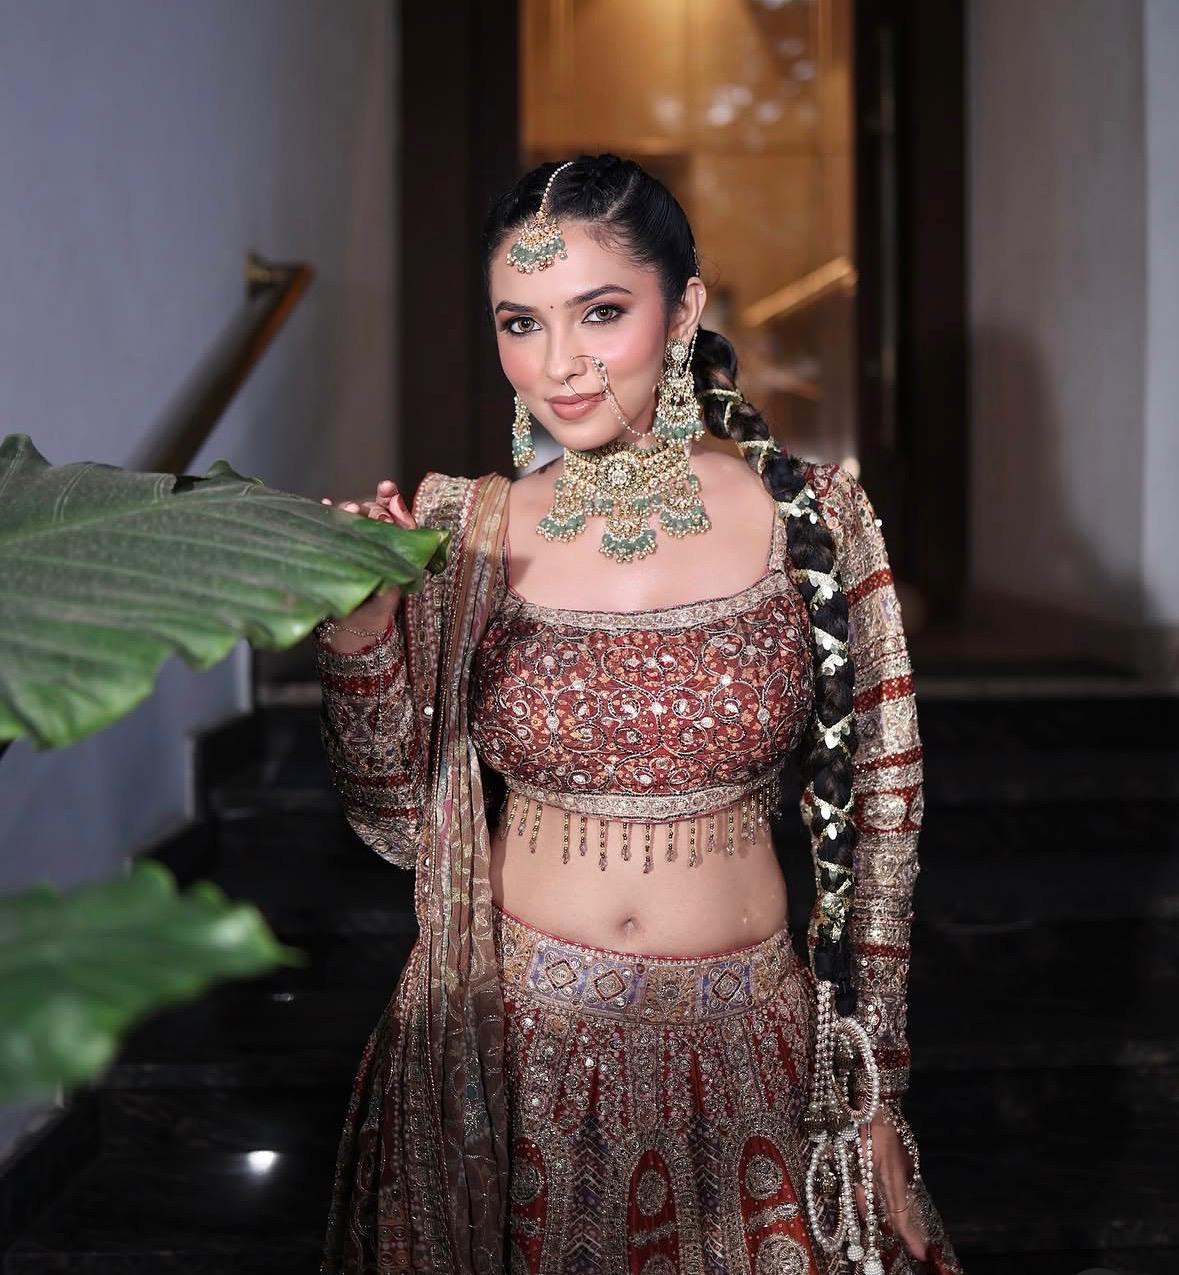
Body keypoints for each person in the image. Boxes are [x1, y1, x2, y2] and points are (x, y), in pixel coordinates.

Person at [313, 154, 964, 1275]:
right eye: (521, 323)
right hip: (507, 1059)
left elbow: (884, 825)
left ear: (684, 308)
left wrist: (873, 1095)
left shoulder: (814, 517)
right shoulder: (458, 528)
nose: (557, 364)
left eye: (600, 312)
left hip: (749, 1059)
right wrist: (362, 635)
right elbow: (398, 825)